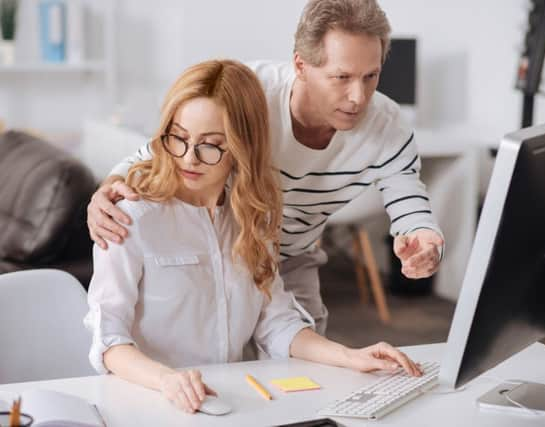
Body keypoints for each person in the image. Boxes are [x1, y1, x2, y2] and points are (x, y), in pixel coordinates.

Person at [84, 59, 423, 414]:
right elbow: (108, 340)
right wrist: (167, 379)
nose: (190, 158)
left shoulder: (252, 219)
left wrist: (350, 356)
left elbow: (276, 323)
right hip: (145, 403)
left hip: (226, 403)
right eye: (179, 138)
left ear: (242, 146)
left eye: (211, 145)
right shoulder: (129, 217)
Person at [86, 0, 444, 335]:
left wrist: (425, 238)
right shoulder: (250, 92)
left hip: (292, 255)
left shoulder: (388, 127)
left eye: (371, 76)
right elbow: (168, 147)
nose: (358, 97)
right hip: (225, 247)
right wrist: (109, 187)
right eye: (342, 77)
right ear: (301, 66)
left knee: (307, 353)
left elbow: (407, 195)